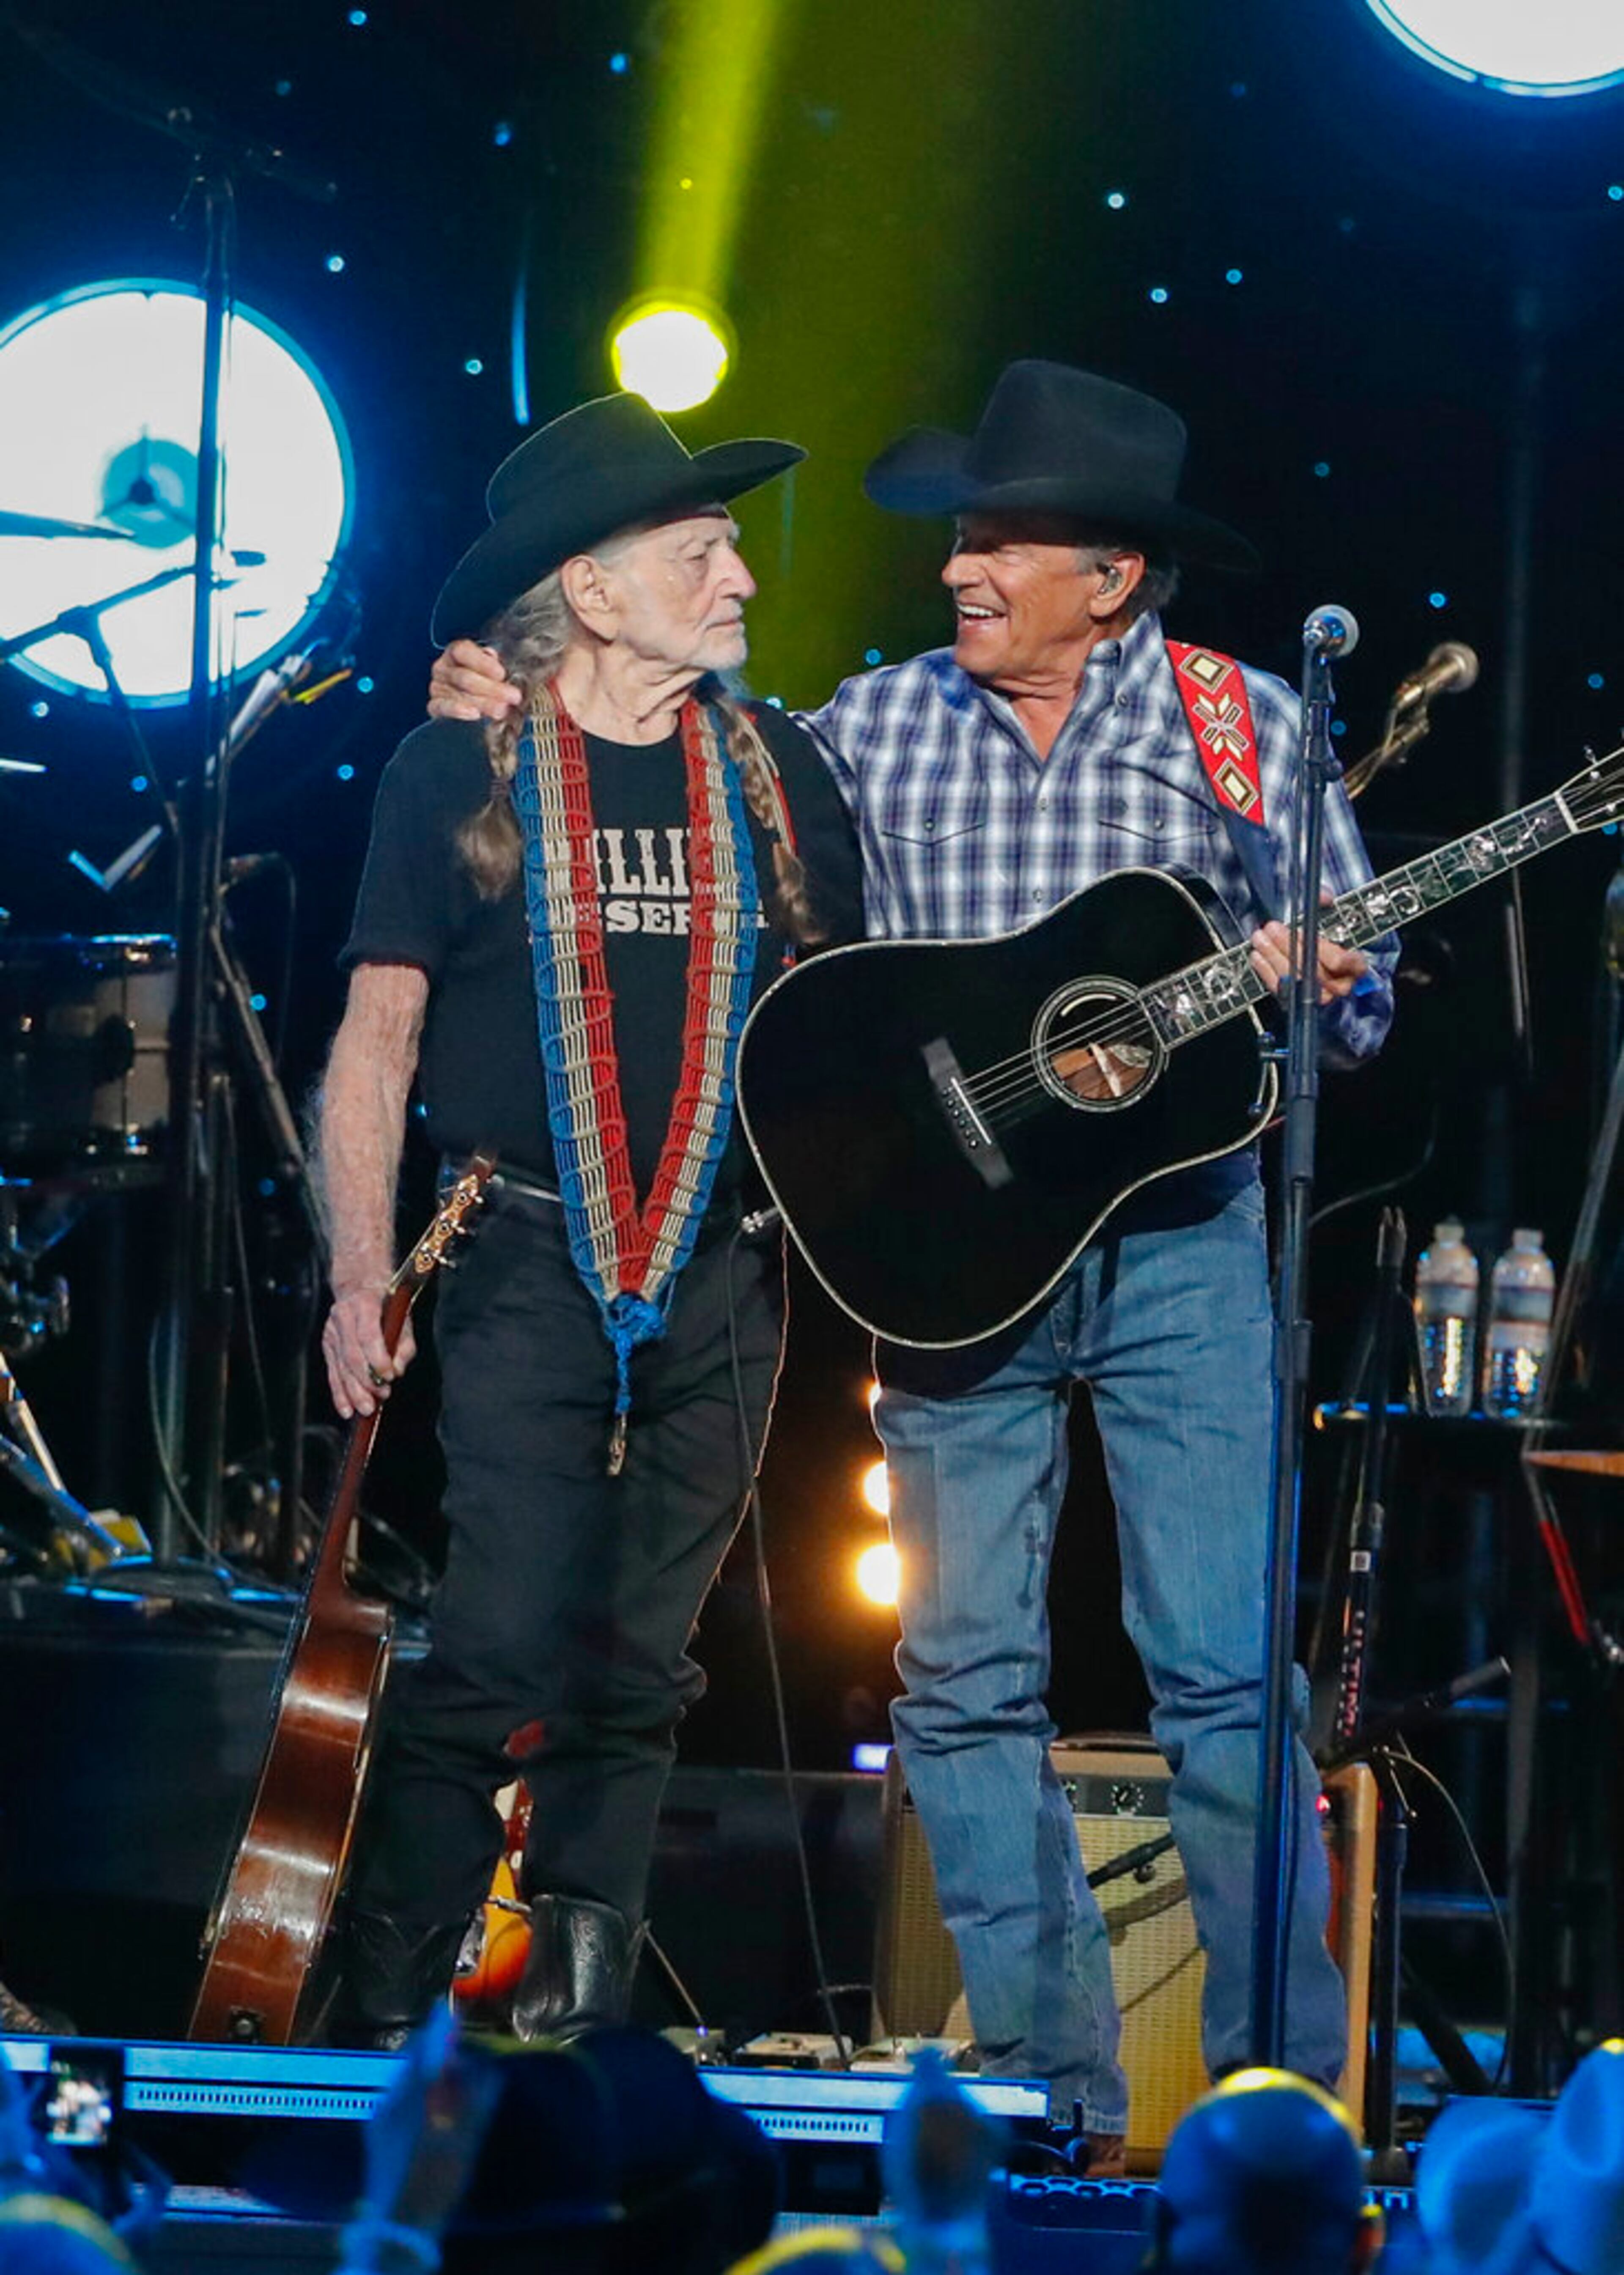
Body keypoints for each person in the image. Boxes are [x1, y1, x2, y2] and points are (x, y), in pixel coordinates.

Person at [428, 359, 1396, 2149]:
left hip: (1185, 1249)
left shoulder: (1247, 725)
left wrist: (1328, 988)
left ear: (1113, 575)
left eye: (1001, 540)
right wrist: (513, 689)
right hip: (953, 1262)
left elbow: (1355, 1016)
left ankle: (1274, 2102)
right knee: (964, 1676)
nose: (960, 567)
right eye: (961, 533)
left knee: (1224, 1677)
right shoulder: (869, 728)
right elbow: (673, 785)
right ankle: (1052, 2080)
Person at [320, 389, 862, 2048]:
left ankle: (569, 2021)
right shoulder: (449, 766)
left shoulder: (781, 778)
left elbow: (843, 1037)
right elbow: (377, 1037)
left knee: (640, 1663)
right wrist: (357, 1272)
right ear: (594, 588)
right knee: (494, 1638)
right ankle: (382, 2017)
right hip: (524, 1255)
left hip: (724, 1269)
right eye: (703, 552)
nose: (743, 581)